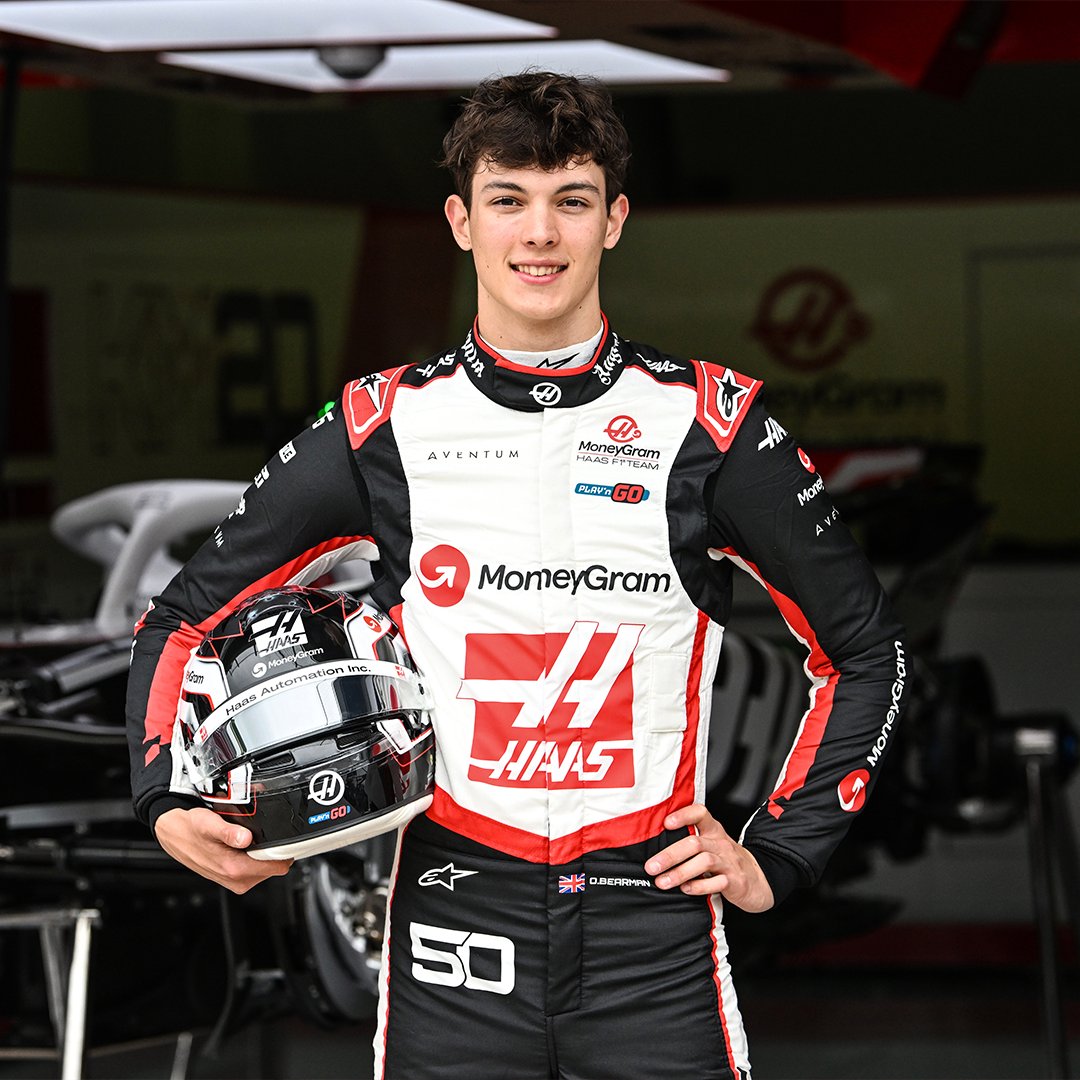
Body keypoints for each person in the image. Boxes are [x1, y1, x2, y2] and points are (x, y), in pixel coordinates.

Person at [126, 71, 907, 1080]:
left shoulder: (711, 425)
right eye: (509, 199)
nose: (540, 233)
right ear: (461, 221)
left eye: (571, 200)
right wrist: (163, 796)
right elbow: (182, 619)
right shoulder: (380, 426)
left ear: (614, 219)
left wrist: (783, 852)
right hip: (453, 925)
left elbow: (867, 653)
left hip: (652, 929)